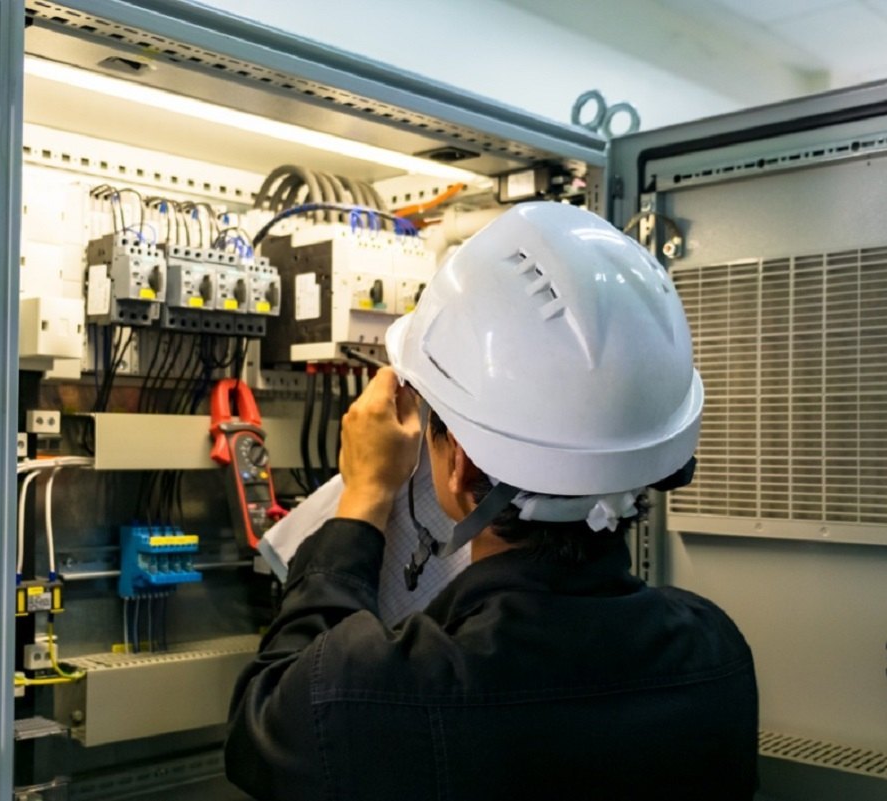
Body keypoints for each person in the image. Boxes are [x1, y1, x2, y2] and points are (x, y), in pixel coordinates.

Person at [225, 202, 758, 800]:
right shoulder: (716, 654)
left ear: (462, 466)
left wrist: (364, 497)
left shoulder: (375, 691)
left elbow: (265, 721)